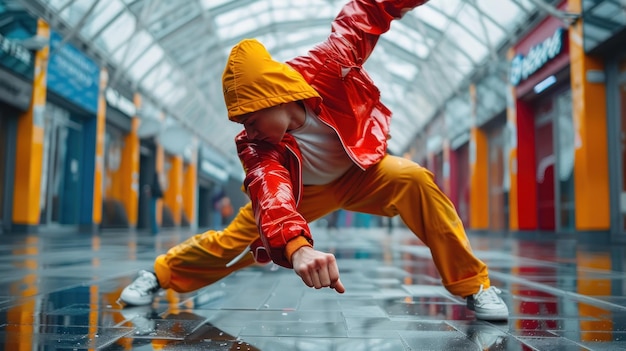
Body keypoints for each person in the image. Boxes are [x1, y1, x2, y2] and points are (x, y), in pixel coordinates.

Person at [120, 0, 509, 321]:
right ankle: (157, 275)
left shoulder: (328, 66)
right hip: (301, 196)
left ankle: (474, 286)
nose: (248, 131)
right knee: (233, 245)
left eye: (251, 120)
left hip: (361, 171)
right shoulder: (256, 146)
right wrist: (297, 247)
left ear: (273, 98)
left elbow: (367, 11)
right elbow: (271, 194)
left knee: (414, 179)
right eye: (243, 124)